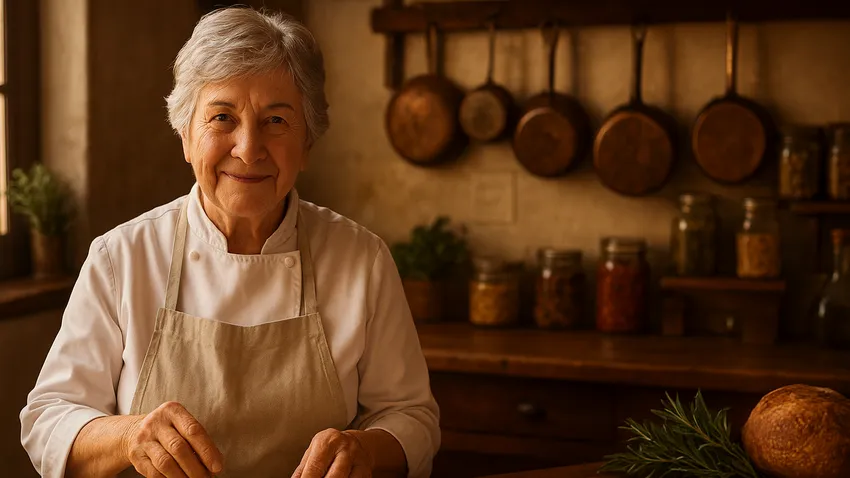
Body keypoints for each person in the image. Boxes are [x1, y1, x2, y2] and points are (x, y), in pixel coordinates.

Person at [20, 7, 439, 478]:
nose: (248, 148)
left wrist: (366, 449)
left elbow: (412, 416)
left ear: (308, 143)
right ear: (185, 135)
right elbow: (49, 420)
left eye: (277, 121)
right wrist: (129, 436)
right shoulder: (122, 258)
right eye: (222, 117)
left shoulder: (361, 260)